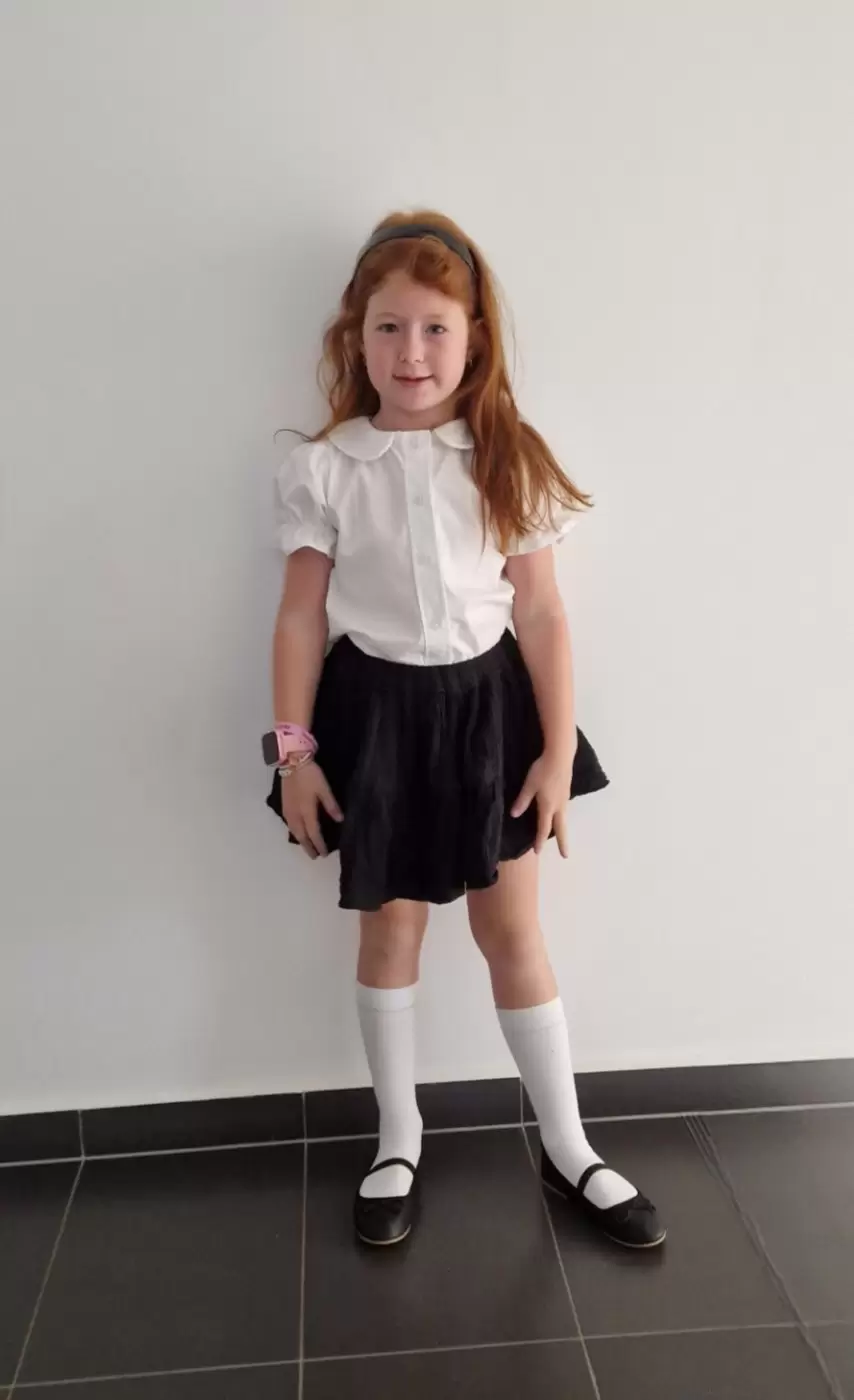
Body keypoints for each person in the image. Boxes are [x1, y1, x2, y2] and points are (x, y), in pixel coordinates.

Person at [265, 211, 665, 1252]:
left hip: (493, 715)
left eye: (435, 328)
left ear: (473, 338)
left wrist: (556, 749)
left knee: (512, 932)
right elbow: (300, 616)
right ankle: (396, 1139)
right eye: (388, 327)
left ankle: (568, 1144)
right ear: (355, 336)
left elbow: (541, 612)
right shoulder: (325, 466)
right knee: (389, 931)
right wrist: (293, 753)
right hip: (374, 720)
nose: (411, 352)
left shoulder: (505, 456)